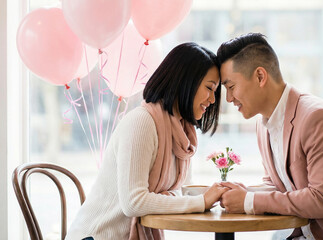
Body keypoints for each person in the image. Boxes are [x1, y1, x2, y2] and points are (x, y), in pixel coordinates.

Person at [217, 33, 323, 240]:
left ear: (260, 76)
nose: (228, 98)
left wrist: (249, 201)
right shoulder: (263, 125)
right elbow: (277, 186)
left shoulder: (318, 119)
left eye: (231, 87)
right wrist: (244, 192)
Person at [66, 42, 229, 240]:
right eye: (209, 88)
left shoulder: (182, 133)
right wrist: (201, 201)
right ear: (186, 81)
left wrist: (218, 194)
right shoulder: (142, 122)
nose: (212, 99)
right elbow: (134, 202)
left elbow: (181, 190)